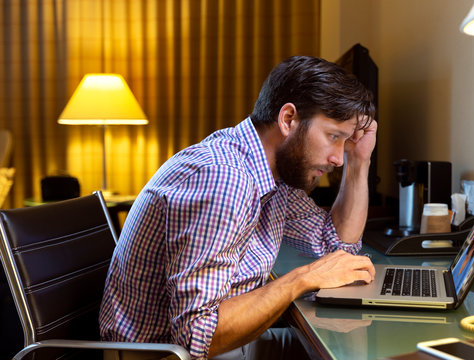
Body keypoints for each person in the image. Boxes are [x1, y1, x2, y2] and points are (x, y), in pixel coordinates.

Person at [99, 55, 378, 360]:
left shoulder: (273, 171)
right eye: (333, 137)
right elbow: (197, 337)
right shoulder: (225, 178)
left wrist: (359, 163)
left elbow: (333, 245)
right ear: (288, 120)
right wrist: (302, 278)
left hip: (225, 342)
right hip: (166, 355)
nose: (338, 157)